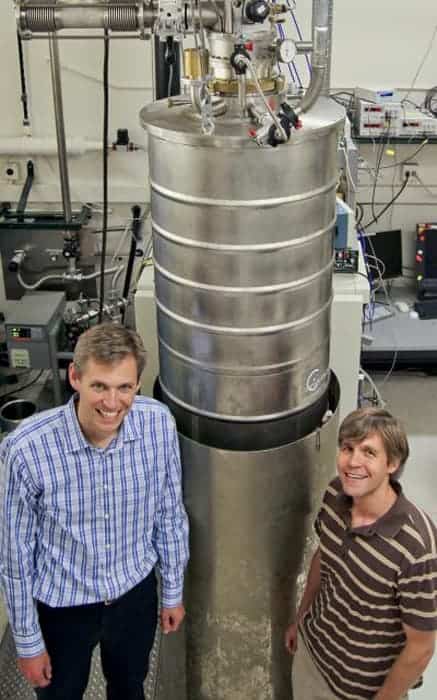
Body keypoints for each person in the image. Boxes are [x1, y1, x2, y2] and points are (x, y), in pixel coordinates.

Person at [0, 322, 189, 700]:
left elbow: (169, 513)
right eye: (99, 386)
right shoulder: (27, 451)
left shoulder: (158, 426)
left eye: (124, 387)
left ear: (137, 384)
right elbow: (15, 556)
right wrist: (27, 642)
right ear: (75, 376)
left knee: (129, 687)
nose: (111, 402)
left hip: (133, 596)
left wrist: (172, 591)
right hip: (63, 607)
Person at [285, 407, 437, 700]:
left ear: (392, 463)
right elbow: (323, 558)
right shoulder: (335, 495)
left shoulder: (417, 546)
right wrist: (301, 617)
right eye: (347, 448)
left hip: (363, 690)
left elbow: (421, 648)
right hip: (312, 659)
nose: (353, 462)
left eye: (369, 452)